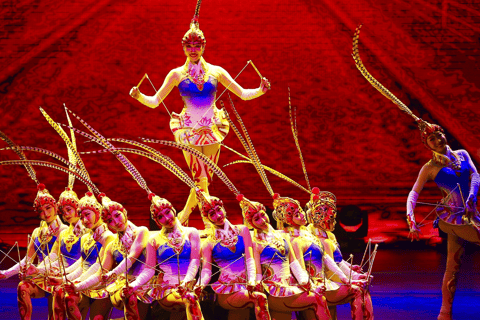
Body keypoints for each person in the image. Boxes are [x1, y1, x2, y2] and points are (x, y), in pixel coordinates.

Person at [352, 26, 480, 320]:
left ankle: (445, 312)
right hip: (451, 218)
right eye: (431, 139)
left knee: (453, 267)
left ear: (444, 135)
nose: (437, 139)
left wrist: (472, 196)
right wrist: (410, 217)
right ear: (427, 144)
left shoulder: (461, 155)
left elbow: (474, 175)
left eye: (439, 135)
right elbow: (414, 193)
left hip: (470, 213)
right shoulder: (430, 168)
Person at [129, 0, 270, 224]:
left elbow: (242, 93)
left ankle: (188, 218)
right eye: (189, 46)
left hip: (213, 127)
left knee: (206, 180)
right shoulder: (176, 74)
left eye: (197, 46)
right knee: (200, 177)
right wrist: (139, 96)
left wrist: (260, 90)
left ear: (204, 46)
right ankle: (200, 221)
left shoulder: (216, 71)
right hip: (188, 130)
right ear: (183, 47)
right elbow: (156, 101)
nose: (193, 50)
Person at [273, 193, 371, 320]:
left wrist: (352, 277)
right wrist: (310, 284)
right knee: (357, 292)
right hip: (313, 285)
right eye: (297, 215)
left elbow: (330, 260)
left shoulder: (311, 237)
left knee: (360, 289)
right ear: (289, 220)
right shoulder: (295, 241)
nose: (303, 215)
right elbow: (299, 269)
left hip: (324, 282)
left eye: (301, 211)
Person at [238, 194, 331, 320]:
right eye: (256, 219)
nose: (263, 220)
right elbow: (258, 273)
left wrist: (305, 281)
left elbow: (294, 264)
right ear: (251, 223)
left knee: (318, 295)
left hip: (291, 285)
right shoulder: (255, 243)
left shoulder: (283, 236)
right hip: (275, 290)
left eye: (263, 215)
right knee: (317, 298)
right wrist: (255, 285)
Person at [128, 193, 204, 320]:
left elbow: (195, 261)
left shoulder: (192, 232)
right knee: (190, 299)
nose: (167, 218)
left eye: (168, 212)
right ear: (157, 222)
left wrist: (186, 282)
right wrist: (134, 285)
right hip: (167, 289)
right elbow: (149, 270)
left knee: (188, 302)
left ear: (173, 210)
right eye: (160, 217)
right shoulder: (154, 240)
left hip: (188, 285)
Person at [196, 195, 271, 320]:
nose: (218, 215)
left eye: (219, 209)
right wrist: (200, 285)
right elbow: (206, 270)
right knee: (260, 298)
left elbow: (250, 258)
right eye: (212, 213)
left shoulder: (243, 230)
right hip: (227, 289)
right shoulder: (208, 243)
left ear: (224, 209)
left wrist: (252, 280)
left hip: (248, 284)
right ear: (207, 218)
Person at [305, 189, 373, 319]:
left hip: (334, 277)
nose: (333, 219)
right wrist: (350, 278)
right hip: (319, 281)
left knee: (363, 287)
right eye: (329, 215)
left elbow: (338, 261)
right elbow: (328, 263)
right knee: (357, 290)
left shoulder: (329, 235)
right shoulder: (310, 235)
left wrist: (353, 271)